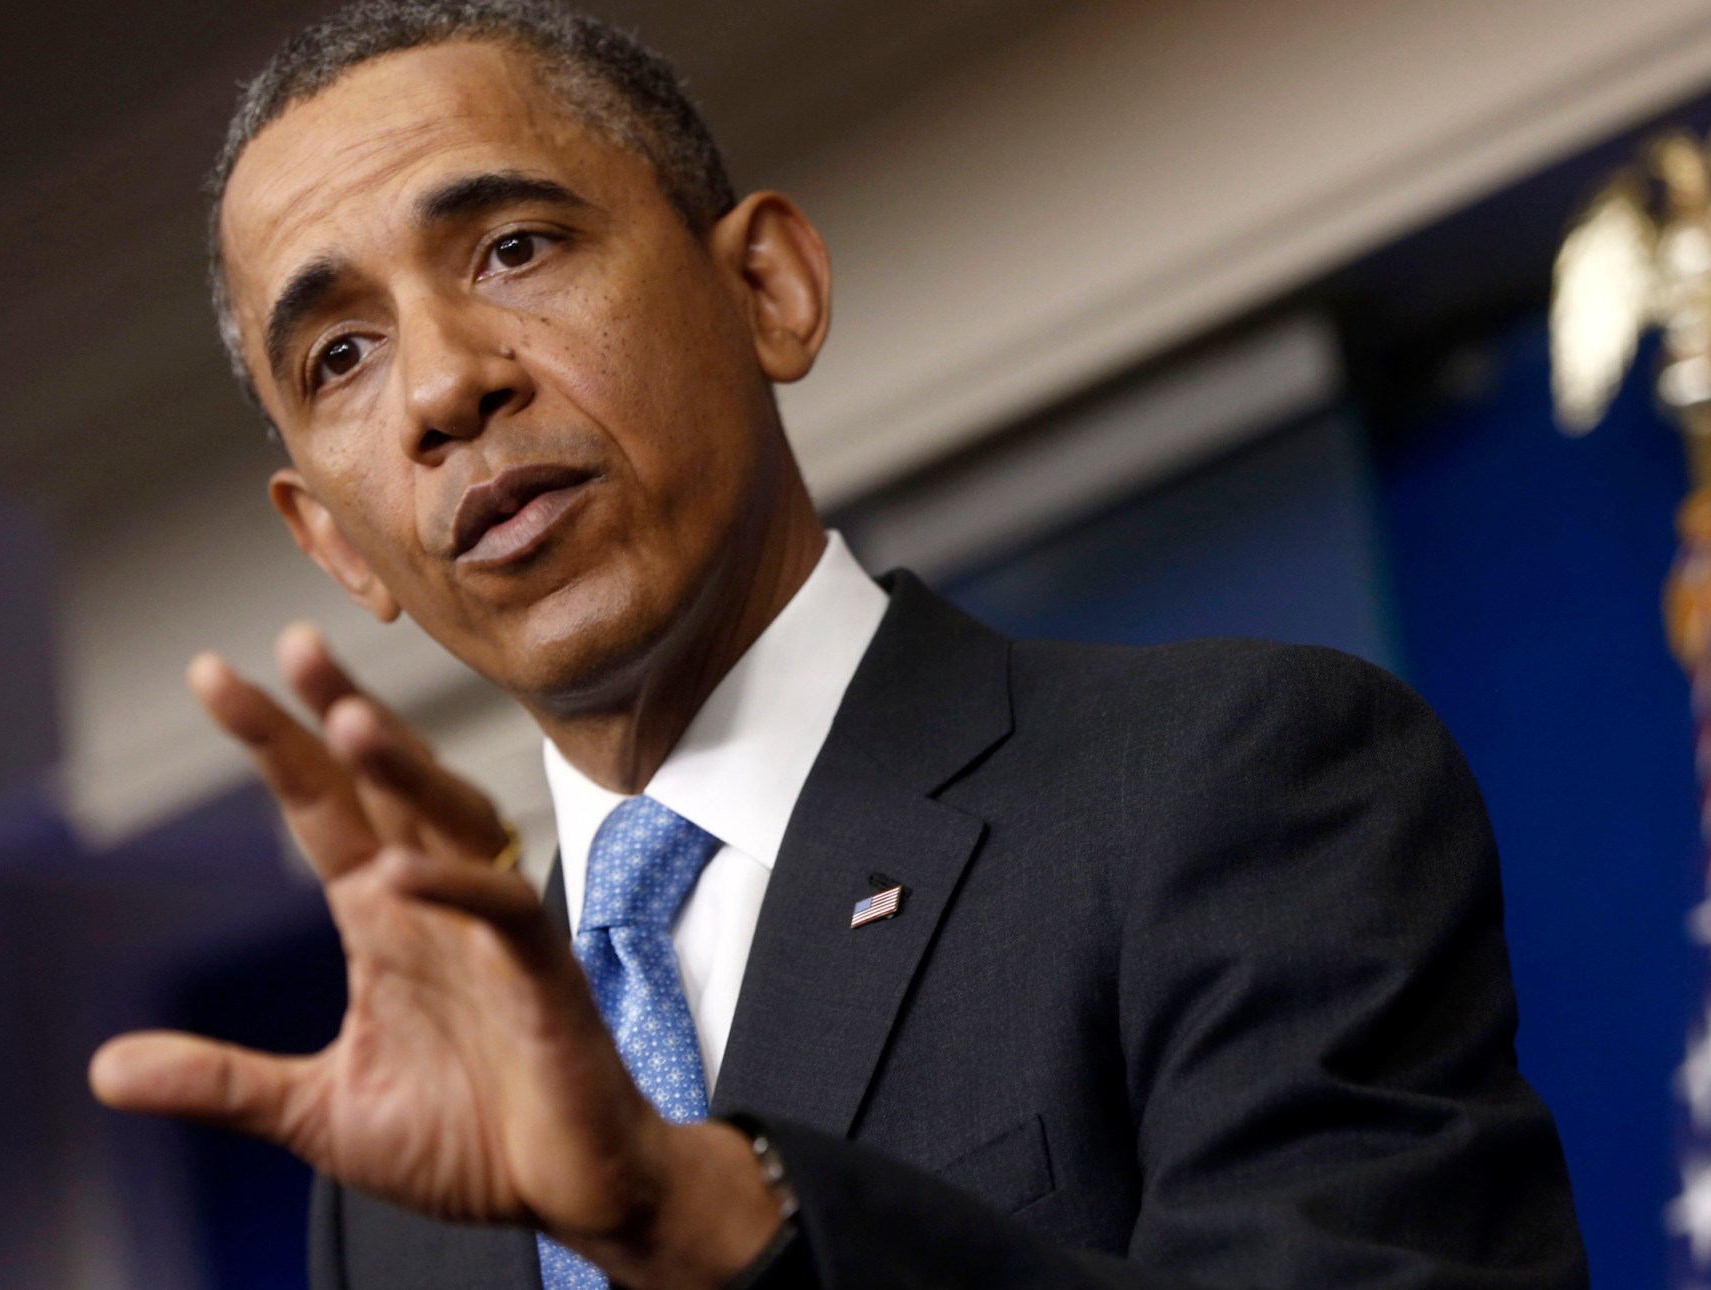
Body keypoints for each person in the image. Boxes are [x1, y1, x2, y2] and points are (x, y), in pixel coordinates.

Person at [88, 2, 1588, 1286]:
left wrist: (723, 1216)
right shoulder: (391, 1192)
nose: (439, 389)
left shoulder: (1232, 780)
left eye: (515, 247)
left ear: (768, 291)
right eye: (338, 354)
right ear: (338, 543)